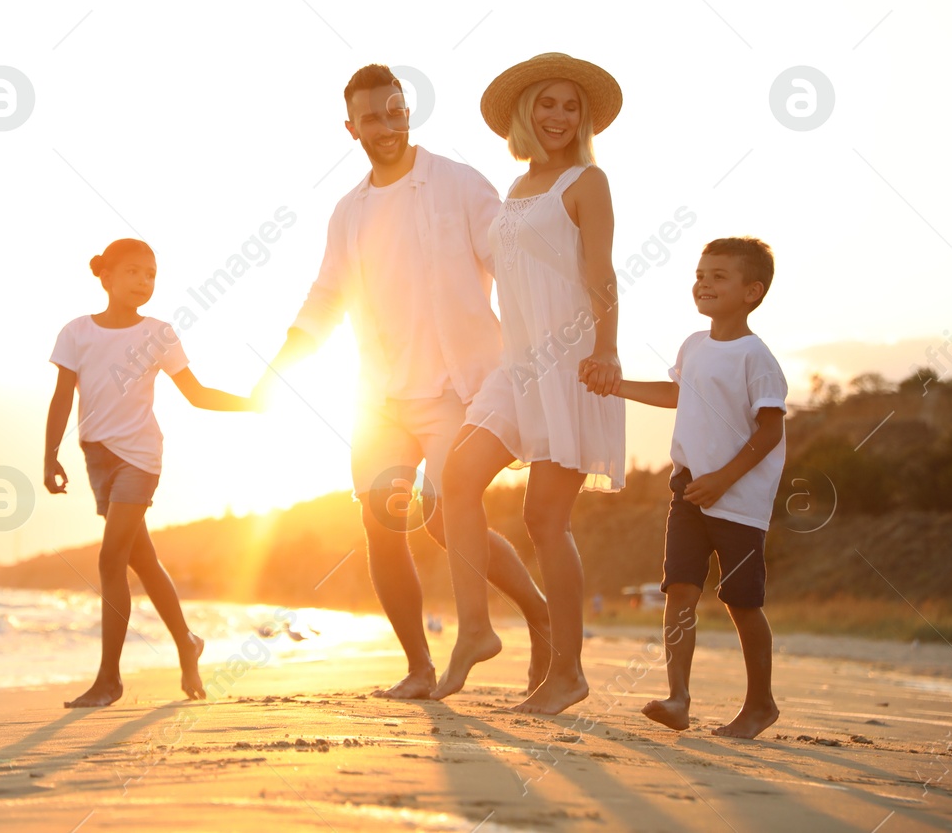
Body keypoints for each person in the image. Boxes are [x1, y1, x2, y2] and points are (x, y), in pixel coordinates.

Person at [254, 63, 554, 701]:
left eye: (396, 110)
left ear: (407, 110)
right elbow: (325, 297)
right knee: (381, 518)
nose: (387, 126)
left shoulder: (459, 184)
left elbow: (511, 261)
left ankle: (537, 612)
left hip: (453, 388)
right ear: (351, 127)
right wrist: (279, 372)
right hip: (379, 398)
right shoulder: (349, 212)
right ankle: (419, 666)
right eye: (372, 117)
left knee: (447, 521)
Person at [433, 53, 627, 712]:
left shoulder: (587, 181)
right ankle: (476, 627)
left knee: (545, 518)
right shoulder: (513, 190)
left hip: (571, 365)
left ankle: (568, 671)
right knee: (455, 480)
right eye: (548, 103)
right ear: (525, 112)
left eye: (571, 106)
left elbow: (601, 272)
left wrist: (608, 348)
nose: (559, 116)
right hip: (515, 367)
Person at [44, 238, 257, 707]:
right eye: (134, 272)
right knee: (141, 559)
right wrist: (49, 454)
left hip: (139, 457)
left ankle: (108, 681)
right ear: (106, 276)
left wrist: (254, 404)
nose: (144, 282)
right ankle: (187, 641)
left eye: (152, 274)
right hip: (96, 457)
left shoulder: (158, 334)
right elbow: (62, 397)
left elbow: (197, 394)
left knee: (110, 558)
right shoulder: (77, 332)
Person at [608, 237, 787, 739]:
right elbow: (676, 393)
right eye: (700, 274)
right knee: (679, 590)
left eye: (718, 276)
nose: (703, 283)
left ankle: (760, 705)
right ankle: (679, 698)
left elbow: (770, 430)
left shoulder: (756, 356)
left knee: (741, 602)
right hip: (687, 492)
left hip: (739, 502)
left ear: (752, 291)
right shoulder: (693, 344)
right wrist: (617, 385)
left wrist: (724, 480)